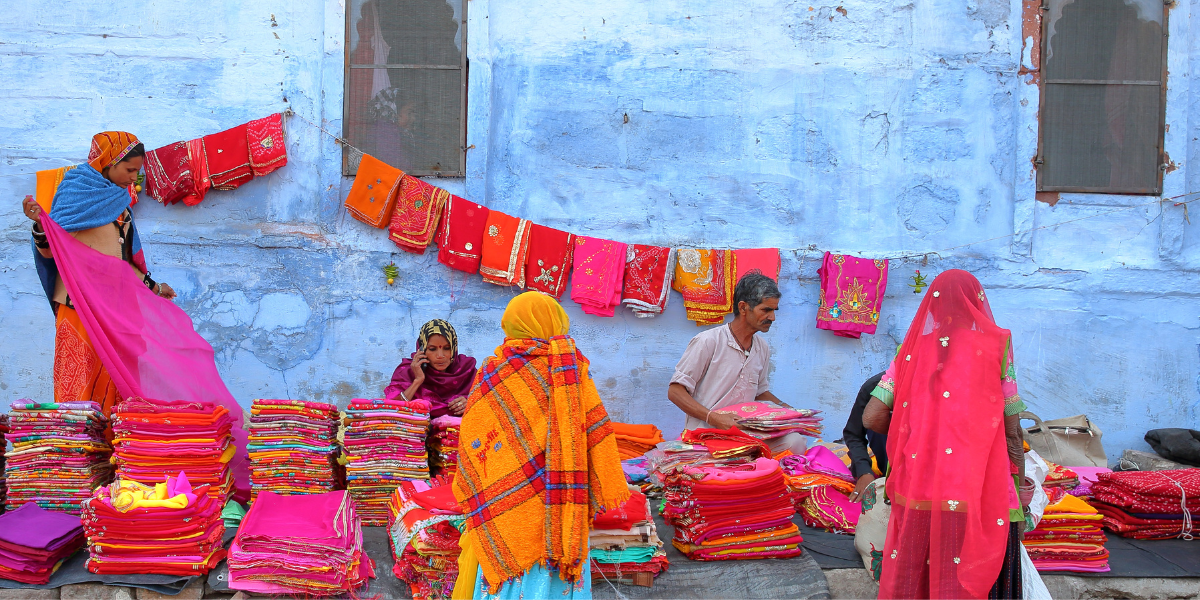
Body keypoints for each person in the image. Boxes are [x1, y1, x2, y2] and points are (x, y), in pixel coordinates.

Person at [861, 270, 1028, 599]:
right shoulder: (997, 344)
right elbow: (1012, 431)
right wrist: (1020, 491)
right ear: (978, 304)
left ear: (932, 307)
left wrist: (921, 434)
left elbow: (872, 416)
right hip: (979, 492)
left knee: (916, 584)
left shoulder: (912, 350)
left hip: (918, 489)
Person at [452, 292, 628, 600]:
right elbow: (595, 433)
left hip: (502, 502)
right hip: (562, 506)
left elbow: (472, 438)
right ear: (555, 321)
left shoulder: (493, 372)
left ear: (512, 324)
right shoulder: (571, 369)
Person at [22, 132, 176, 418]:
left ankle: (114, 457)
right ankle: (78, 457)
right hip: (78, 307)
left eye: (138, 172)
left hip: (117, 309)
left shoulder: (119, 201)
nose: (134, 178)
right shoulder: (75, 193)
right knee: (78, 384)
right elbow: (51, 250)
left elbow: (122, 260)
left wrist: (154, 287)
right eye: (129, 169)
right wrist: (41, 226)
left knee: (118, 386)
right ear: (108, 161)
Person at [667, 272, 807, 455]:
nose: (772, 317)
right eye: (766, 310)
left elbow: (759, 392)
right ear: (743, 308)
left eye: (774, 311)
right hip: (706, 436)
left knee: (795, 441)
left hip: (746, 437)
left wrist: (788, 412)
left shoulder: (762, 348)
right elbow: (675, 391)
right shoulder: (708, 341)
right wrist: (714, 418)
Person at [384, 319, 477, 418]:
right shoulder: (406, 372)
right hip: (417, 432)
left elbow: (487, 405)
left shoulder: (467, 372)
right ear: (421, 350)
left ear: (454, 348)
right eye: (432, 349)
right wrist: (417, 381)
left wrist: (470, 403)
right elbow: (392, 410)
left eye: (447, 348)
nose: (440, 355)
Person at [843, 371, 889, 502]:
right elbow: (853, 433)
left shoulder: (945, 390)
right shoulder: (876, 386)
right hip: (889, 472)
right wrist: (864, 471)